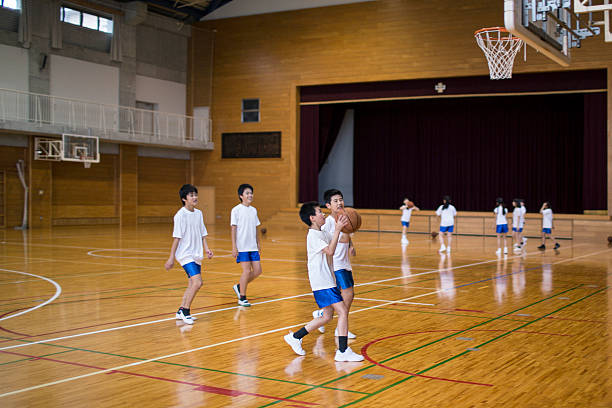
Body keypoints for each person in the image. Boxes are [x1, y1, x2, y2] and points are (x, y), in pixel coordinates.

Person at [283, 201, 363, 362]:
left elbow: (338, 240)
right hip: (322, 281)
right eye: (320, 212)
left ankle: (295, 337)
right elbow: (330, 250)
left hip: (327, 280)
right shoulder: (312, 236)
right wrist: (339, 228)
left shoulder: (321, 233)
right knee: (341, 312)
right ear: (312, 218)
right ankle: (342, 350)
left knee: (326, 317)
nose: (323, 214)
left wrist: (346, 225)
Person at [165, 184, 213, 325]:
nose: (195, 197)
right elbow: (177, 238)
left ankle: (180, 311)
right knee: (198, 282)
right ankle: (186, 311)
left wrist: (207, 249)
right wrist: (171, 258)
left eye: (195, 194)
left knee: (192, 283)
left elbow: (202, 233)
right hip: (185, 254)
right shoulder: (180, 215)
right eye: (191, 195)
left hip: (196, 253)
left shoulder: (198, 213)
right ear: (184, 199)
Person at [313, 189, 357, 338]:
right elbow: (326, 244)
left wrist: (351, 245)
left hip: (345, 262)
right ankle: (340, 329)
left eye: (341, 199)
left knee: (344, 297)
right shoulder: (328, 223)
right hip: (336, 264)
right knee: (348, 294)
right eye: (335, 201)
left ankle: (321, 313)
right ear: (328, 205)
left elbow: (347, 235)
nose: (339, 203)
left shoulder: (345, 218)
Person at [231, 183, 262, 307]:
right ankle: (242, 297)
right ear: (241, 196)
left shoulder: (254, 210)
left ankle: (239, 286)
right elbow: (233, 229)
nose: (250, 195)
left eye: (251, 193)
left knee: (258, 271)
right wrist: (234, 246)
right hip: (242, 246)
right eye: (247, 193)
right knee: (246, 271)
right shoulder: (236, 210)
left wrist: (258, 243)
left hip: (253, 246)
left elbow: (256, 228)